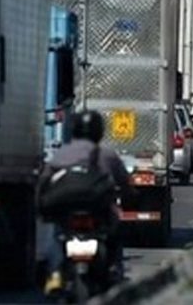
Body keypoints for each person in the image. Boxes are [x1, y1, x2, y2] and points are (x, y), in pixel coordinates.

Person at [38, 110, 132, 294]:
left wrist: (41, 206)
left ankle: (55, 274)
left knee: (56, 235)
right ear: (99, 131)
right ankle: (114, 268)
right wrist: (130, 197)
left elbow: (44, 182)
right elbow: (124, 183)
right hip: (96, 212)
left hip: (65, 211)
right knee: (115, 231)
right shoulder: (107, 155)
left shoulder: (62, 154)